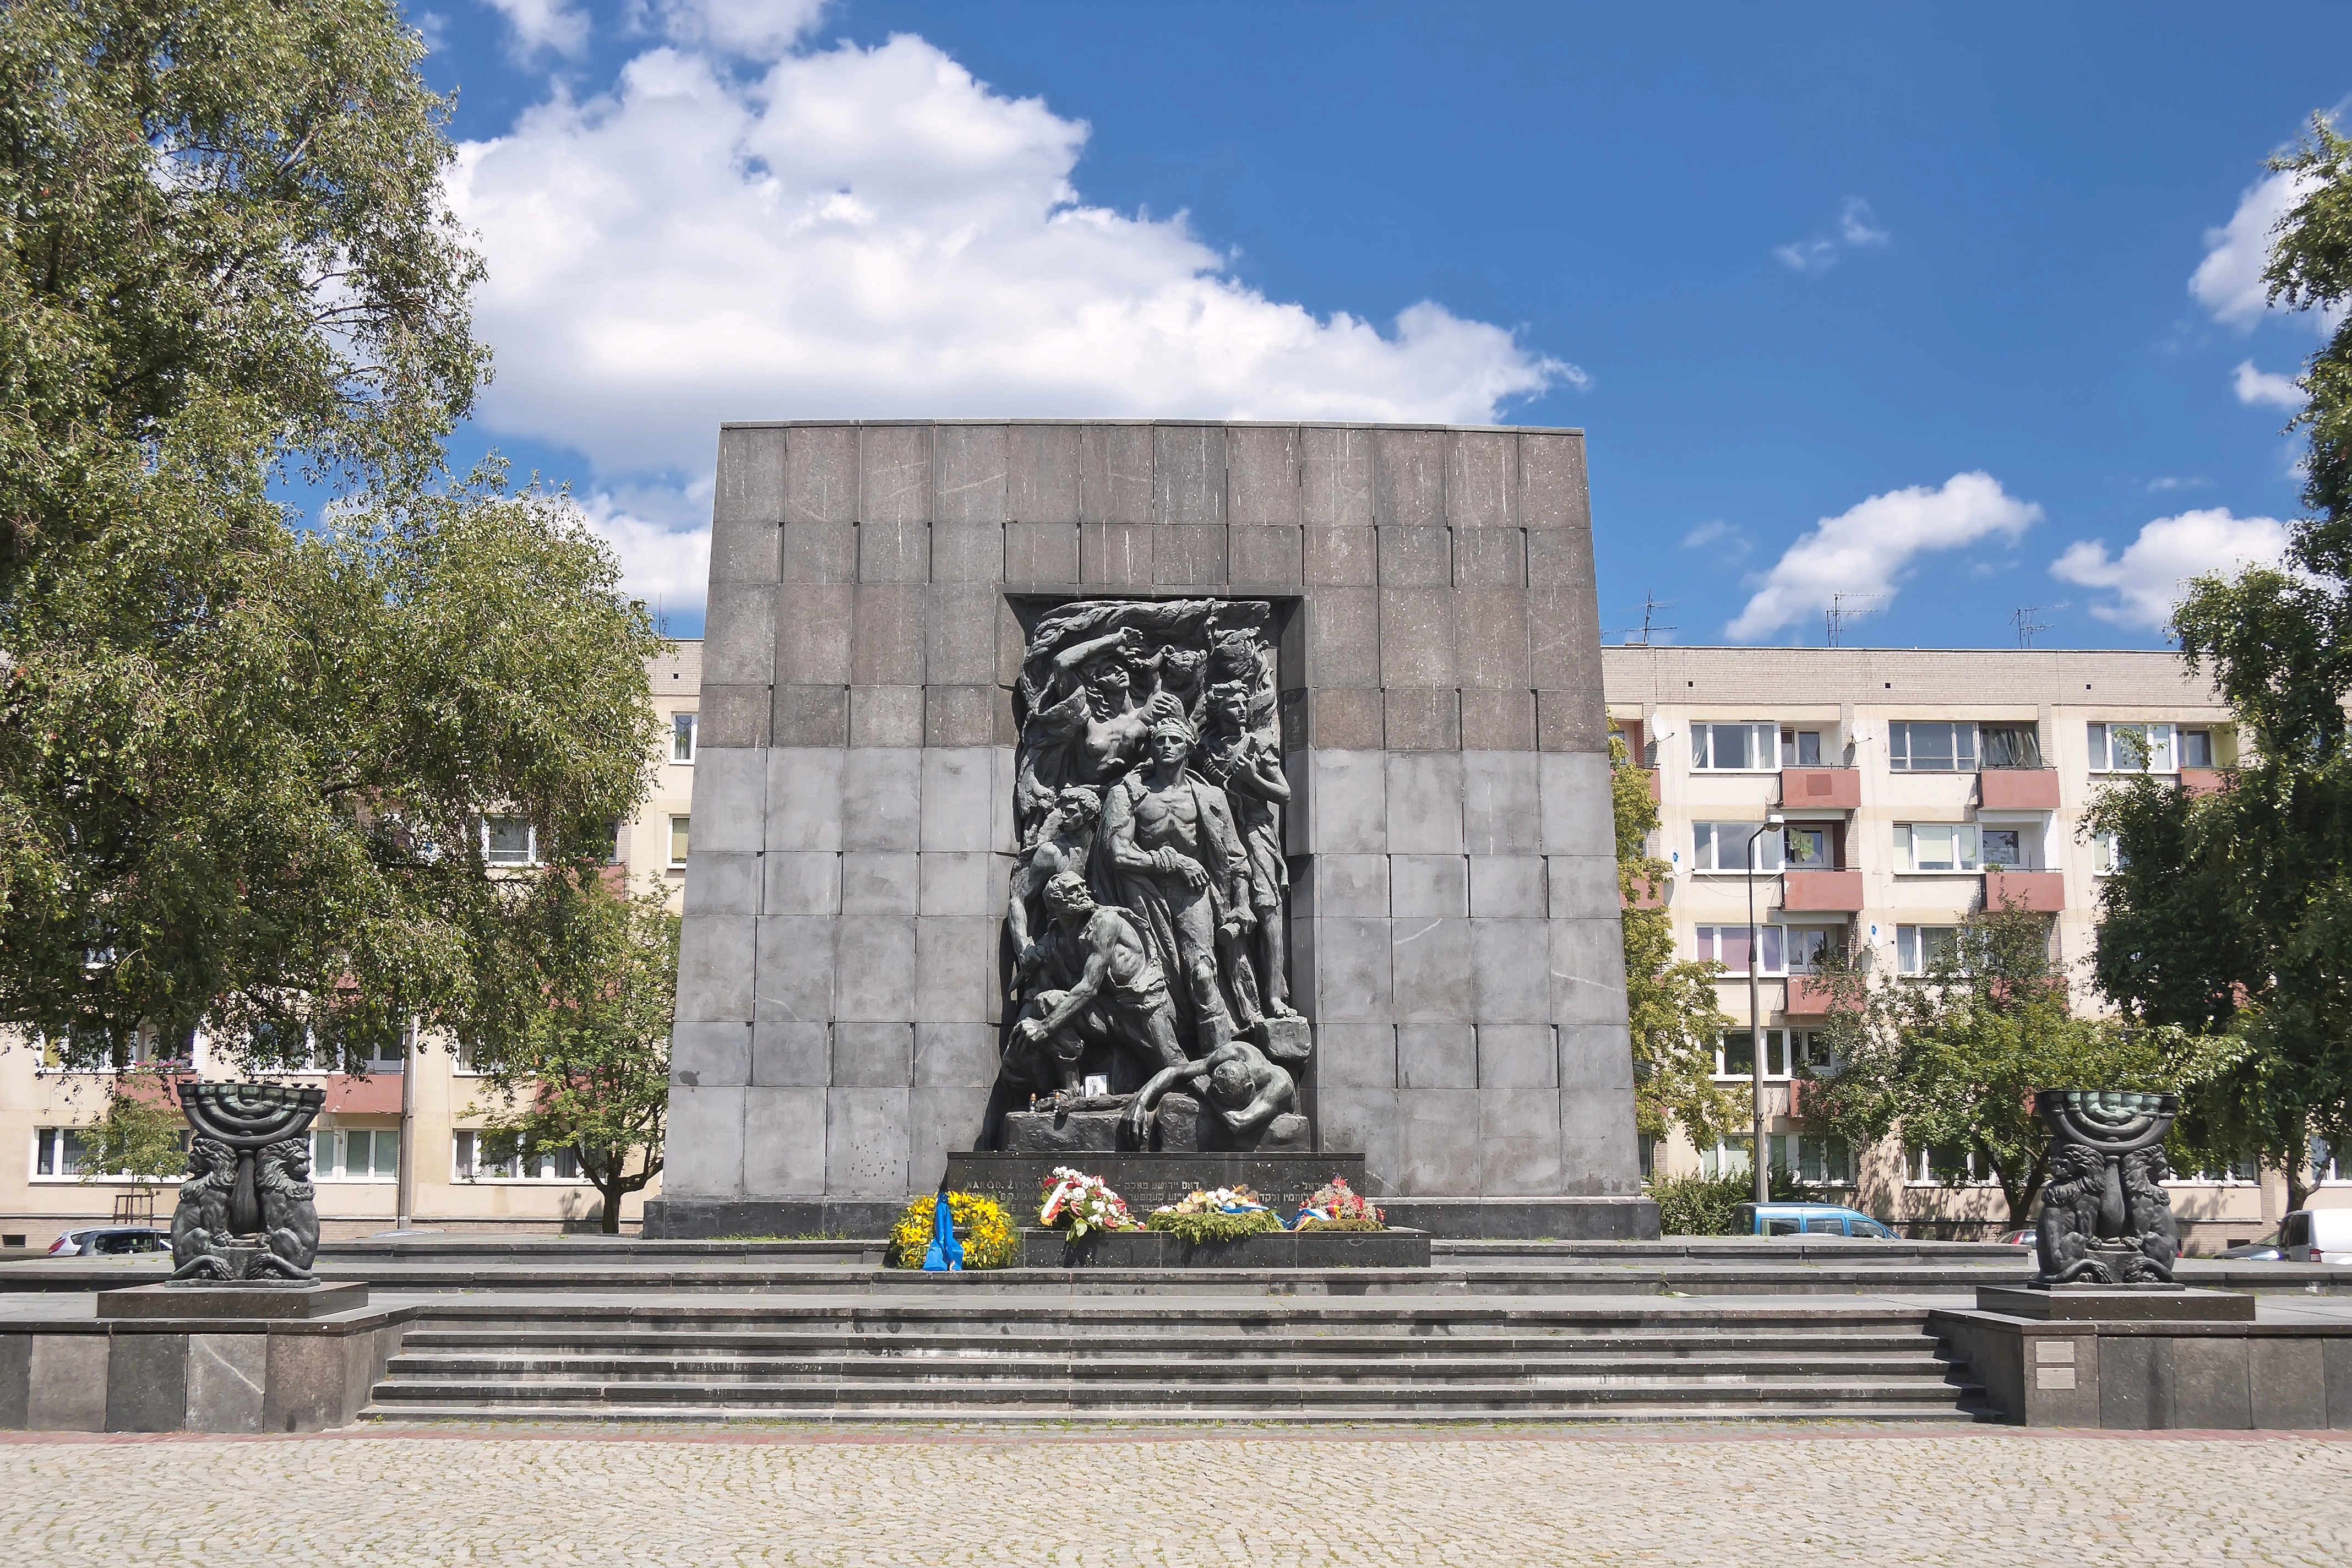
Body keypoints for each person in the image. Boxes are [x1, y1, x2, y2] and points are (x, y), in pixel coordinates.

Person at [1101, 714, 1253, 1054]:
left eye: (1175, 741)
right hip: (1142, 896)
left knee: (1202, 975)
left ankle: (1223, 1063)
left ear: (1189, 747)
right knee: (1149, 980)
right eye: (1160, 741)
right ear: (1151, 748)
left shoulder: (1210, 797)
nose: (1167, 747)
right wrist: (1171, 861)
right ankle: (1169, 1061)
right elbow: (1117, 853)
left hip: (1193, 894)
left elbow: (1235, 857)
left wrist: (1241, 904)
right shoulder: (1127, 794)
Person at [1004, 874, 1189, 1097]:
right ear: (1055, 903)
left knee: (1178, 1073)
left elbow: (1088, 987)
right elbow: (1034, 989)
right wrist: (1013, 1048)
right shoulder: (1055, 939)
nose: (1084, 892)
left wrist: (1044, 1028)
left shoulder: (1105, 922)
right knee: (1047, 1001)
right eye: (1073, 890)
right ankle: (1069, 1091)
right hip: (1105, 1014)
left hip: (1143, 1010)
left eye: (1083, 886)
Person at [1197, 676, 1295, 1022]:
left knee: (1268, 908)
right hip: (1219, 832)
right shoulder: (1205, 747)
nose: (1242, 710)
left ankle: (1272, 996)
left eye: (1244, 703)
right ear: (1219, 709)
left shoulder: (1257, 745)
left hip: (1254, 831)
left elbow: (1283, 794)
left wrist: (1252, 778)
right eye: (1234, 704)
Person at [1005, 785, 1101, 1001]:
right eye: (1062, 811)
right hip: (1060, 946)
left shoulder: (1102, 847)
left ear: (1089, 814)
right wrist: (1024, 949)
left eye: (1071, 812)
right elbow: (1018, 901)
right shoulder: (1051, 853)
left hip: (1099, 938)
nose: (1063, 818)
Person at [1123, 1035, 1299, 1145]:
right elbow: (1176, 1071)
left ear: (1249, 1090)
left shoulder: (1280, 1085)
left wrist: (1207, 1092)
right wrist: (1140, 1101)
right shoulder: (1235, 1052)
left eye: (1229, 1102)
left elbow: (1239, 1123)